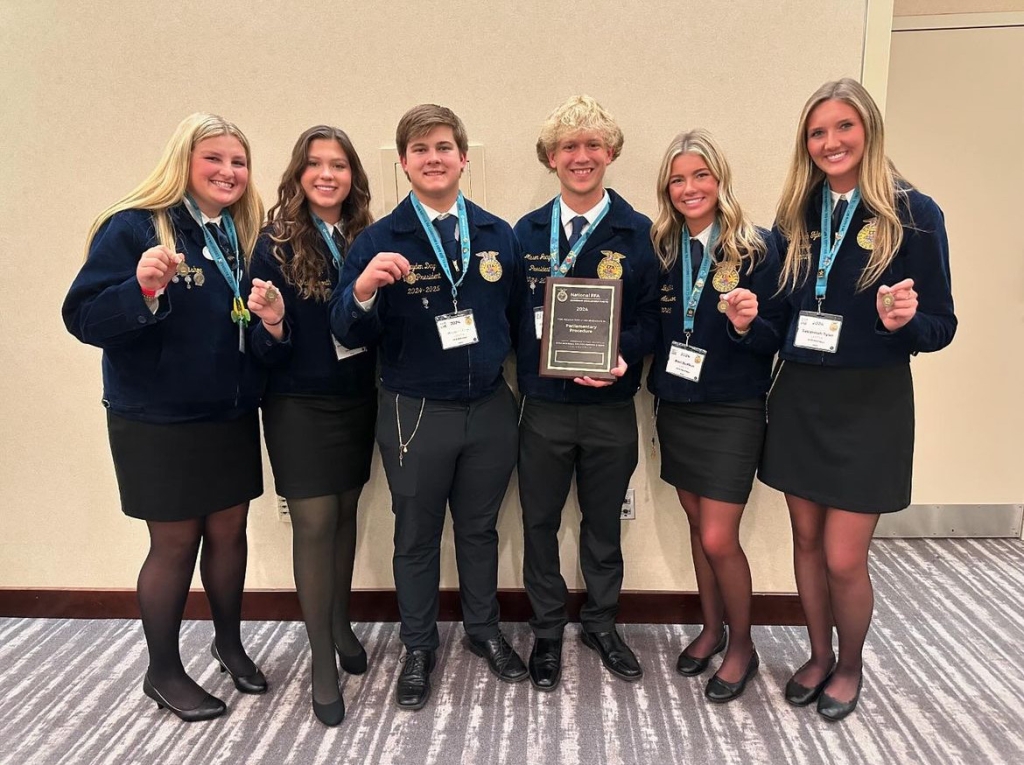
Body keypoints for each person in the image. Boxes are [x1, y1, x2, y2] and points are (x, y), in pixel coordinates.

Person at [62, 113, 281, 722]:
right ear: (183, 161)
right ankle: (161, 672)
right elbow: (82, 318)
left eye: (238, 162)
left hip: (229, 410)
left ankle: (228, 643)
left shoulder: (243, 233)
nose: (228, 172)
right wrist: (141, 289)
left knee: (230, 533)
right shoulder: (134, 227)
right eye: (213, 159)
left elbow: (243, 321)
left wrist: (271, 322)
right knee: (175, 544)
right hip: (157, 418)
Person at [760, 78, 956, 721]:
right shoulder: (798, 213)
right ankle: (817, 655)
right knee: (807, 543)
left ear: (868, 130)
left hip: (870, 405)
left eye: (843, 127)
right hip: (800, 398)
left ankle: (850, 665)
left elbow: (942, 325)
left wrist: (904, 323)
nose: (830, 141)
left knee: (846, 558)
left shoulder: (914, 213)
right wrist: (746, 319)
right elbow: (786, 316)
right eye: (818, 132)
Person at [330, 104, 525, 711]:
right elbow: (343, 330)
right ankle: (417, 647)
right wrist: (362, 288)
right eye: (420, 150)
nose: (433, 158)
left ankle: (484, 631)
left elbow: (521, 323)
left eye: (444, 147)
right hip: (414, 411)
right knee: (416, 536)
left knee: (480, 529)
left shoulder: (497, 234)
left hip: (490, 407)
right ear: (403, 164)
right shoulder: (378, 240)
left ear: (463, 158)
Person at [514, 95, 658, 690]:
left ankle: (601, 622)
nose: (581, 156)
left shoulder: (639, 232)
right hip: (543, 410)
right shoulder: (523, 233)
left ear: (612, 153)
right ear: (550, 158)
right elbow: (510, 321)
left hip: (608, 410)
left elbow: (654, 318)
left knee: (603, 524)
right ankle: (547, 630)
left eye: (593, 145)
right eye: (569, 147)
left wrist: (622, 353)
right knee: (540, 523)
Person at [648, 129, 783, 702]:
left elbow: (780, 337)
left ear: (720, 178)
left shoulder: (758, 249)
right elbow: (650, 327)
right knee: (696, 531)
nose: (689, 187)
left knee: (718, 535)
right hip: (677, 406)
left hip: (733, 410)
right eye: (677, 179)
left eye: (700, 175)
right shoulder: (662, 249)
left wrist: (749, 325)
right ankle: (710, 628)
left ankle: (743, 646)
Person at [251, 125, 376, 727]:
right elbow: (260, 346)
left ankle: (342, 625)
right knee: (315, 520)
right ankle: (321, 662)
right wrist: (273, 323)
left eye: (340, 165)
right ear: (299, 173)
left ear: (354, 176)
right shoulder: (273, 241)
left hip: (356, 397)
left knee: (348, 512)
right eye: (316, 164)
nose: (328, 175)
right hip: (297, 402)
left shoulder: (366, 235)